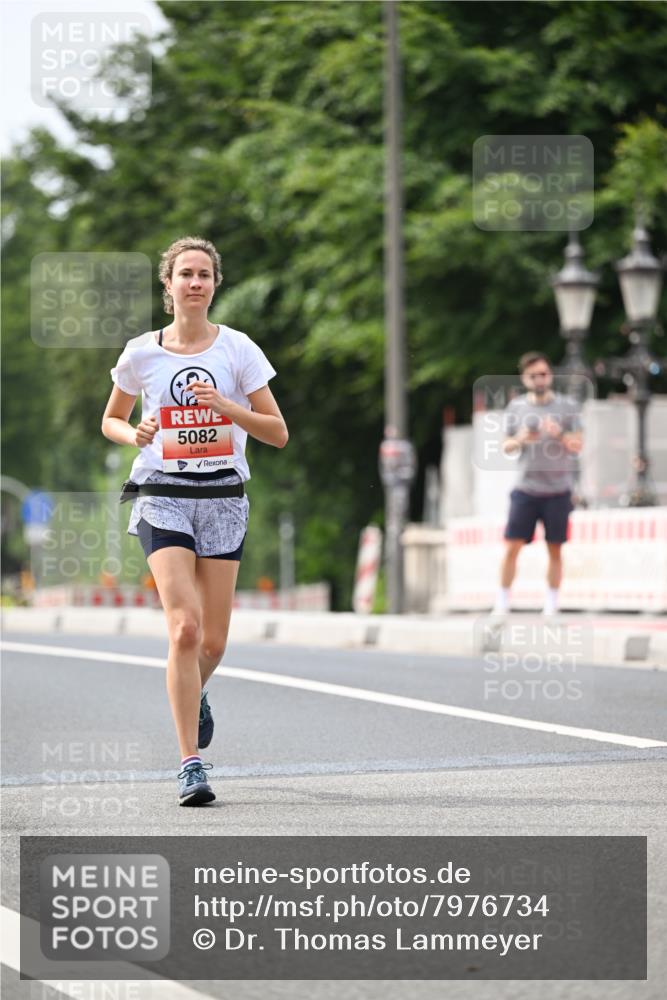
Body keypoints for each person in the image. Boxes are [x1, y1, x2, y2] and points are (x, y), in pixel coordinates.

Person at [102, 236, 288, 805]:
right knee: (183, 629)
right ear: (169, 284)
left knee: (212, 643)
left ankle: (194, 694)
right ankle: (191, 764)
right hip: (162, 493)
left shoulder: (237, 350)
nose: (196, 283)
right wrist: (132, 432)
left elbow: (277, 432)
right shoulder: (141, 353)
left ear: (215, 284)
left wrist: (227, 409)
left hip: (224, 498)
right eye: (186, 273)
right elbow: (111, 419)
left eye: (205, 274)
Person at [492, 352, 582, 617]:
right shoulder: (517, 408)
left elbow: (578, 445)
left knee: (555, 548)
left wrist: (559, 434)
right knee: (512, 546)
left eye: (543, 374)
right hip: (526, 488)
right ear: (525, 379)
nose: (539, 380)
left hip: (558, 489)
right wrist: (521, 438)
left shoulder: (567, 407)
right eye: (533, 376)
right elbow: (505, 446)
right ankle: (502, 602)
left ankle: (551, 604)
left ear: (550, 375)